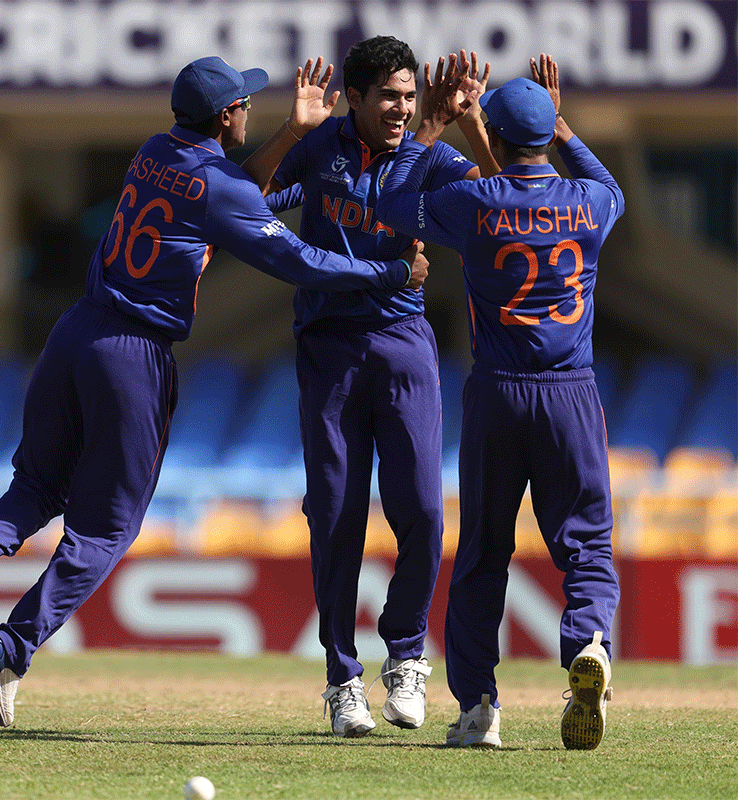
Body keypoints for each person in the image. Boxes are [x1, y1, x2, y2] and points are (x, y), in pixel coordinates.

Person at [0, 55, 429, 728]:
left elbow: (227, 191)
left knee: (38, 483)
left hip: (74, 331)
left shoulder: (155, 150)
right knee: (105, 528)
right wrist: (388, 270)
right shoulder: (217, 184)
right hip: (133, 354)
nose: (248, 107)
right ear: (225, 117)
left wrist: (289, 132)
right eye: (242, 103)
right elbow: (295, 258)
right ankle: (11, 646)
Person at [241, 37, 492, 738]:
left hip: (403, 342)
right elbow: (249, 193)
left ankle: (407, 657)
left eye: (410, 97)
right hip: (328, 347)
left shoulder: (434, 156)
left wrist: (465, 127)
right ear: (354, 97)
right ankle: (341, 677)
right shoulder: (321, 148)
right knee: (335, 514)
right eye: (388, 96)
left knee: (422, 510)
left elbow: (508, 208)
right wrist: (292, 128)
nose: (402, 109)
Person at [376, 54, 622, 750]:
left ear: (497, 136)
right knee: (587, 545)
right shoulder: (591, 204)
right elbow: (608, 184)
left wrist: (435, 122)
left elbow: (394, 202)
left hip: (496, 392)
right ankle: (590, 644)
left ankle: (479, 709)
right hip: (571, 392)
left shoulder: (476, 207)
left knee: (484, 552)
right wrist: (559, 116)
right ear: (543, 133)